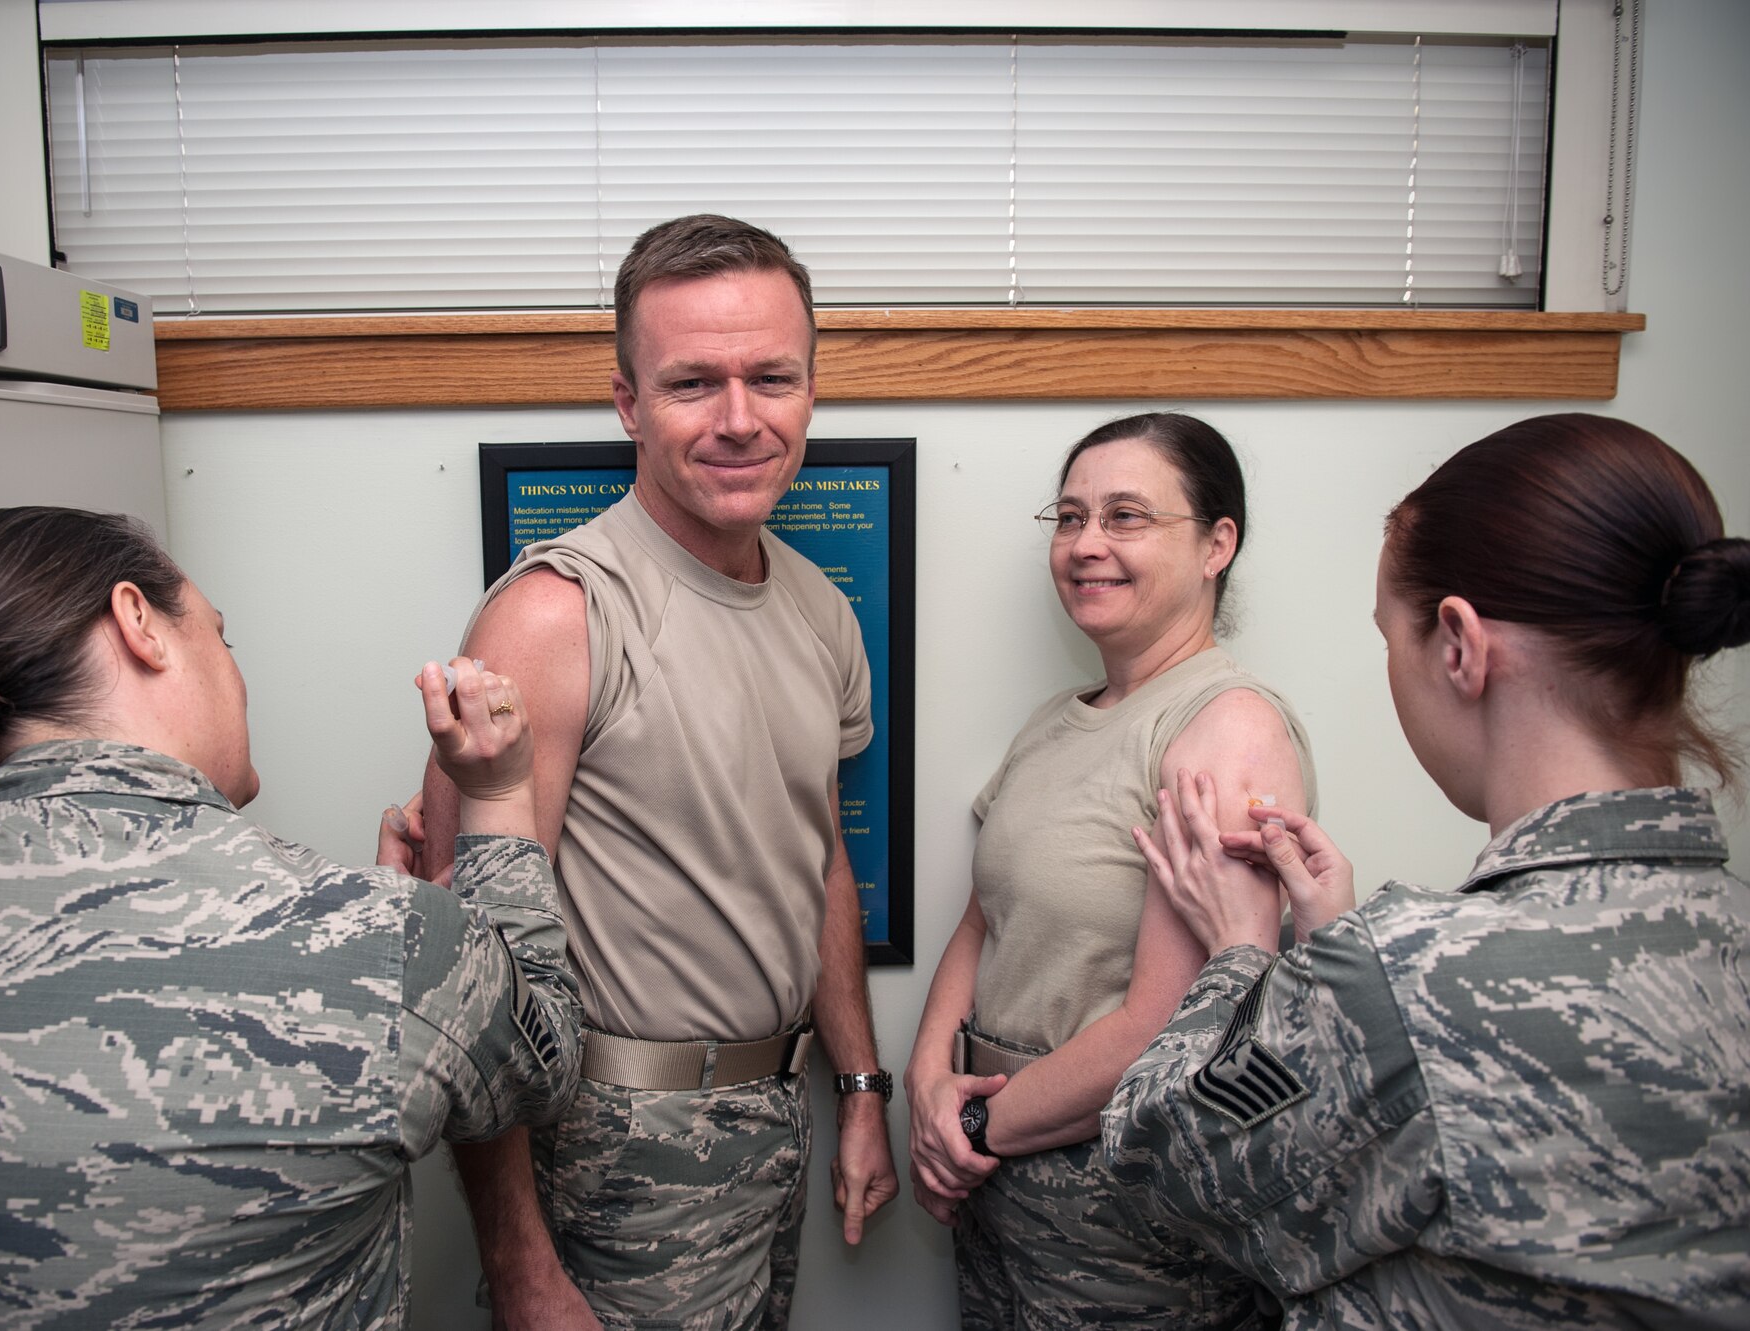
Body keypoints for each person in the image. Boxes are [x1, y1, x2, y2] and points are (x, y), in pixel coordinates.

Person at [0, 506, 582, 1329]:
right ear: (138, 621)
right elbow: (540, 1060)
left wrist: (381, 946)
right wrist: (499, 797)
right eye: (222, 636)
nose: (238, 673)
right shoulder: (376, 942)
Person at [1110, 413, 1750, 1328]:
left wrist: (1244, 960)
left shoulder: (1409, 972)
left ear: (1458, 644)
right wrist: (1338, 953)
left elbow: (1156, 1164)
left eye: (1390, 637)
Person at [417, 214, 896, 1331]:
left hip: (774, 1123)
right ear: (629, 402)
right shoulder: (557, 612)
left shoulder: (819, 609)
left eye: (770, 376)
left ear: (810, 388)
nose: (740, 418)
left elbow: (816, 863)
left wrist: (860, 1085)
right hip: (615, 1150)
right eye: (692, 383)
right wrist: (522, 1267)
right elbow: (465, 964)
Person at [903, 412, 1314, 1329]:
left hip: (1122, 1206)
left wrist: (966, 1131)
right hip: (1001, 1177)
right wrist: (928, 1080)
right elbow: (984, 922)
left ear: (1218, 544)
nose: (1087, 544)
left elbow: (1169, 1023)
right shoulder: (1057, 719)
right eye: (1071, 516)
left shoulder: (1226, 726)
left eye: (1127, 516)